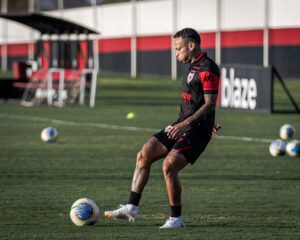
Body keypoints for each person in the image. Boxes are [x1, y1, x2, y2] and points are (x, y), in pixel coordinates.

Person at [104, 28, 220, 229]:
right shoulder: (193, 65)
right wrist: (182, 123)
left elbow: (210, 103)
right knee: (144, 154)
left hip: (196, 129)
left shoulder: (208, 68)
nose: (176, 53)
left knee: (169, 166)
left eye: (178, 48)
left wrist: (191, 124)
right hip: (181, 124)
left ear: (191, 46)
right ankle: (132, 207)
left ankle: (176, 219)